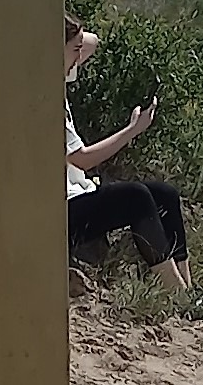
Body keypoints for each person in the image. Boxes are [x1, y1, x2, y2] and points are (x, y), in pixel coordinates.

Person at [63, 16, 191, 292]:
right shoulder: (43, 97)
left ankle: (187, 287)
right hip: (55, 212)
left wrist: (65, 32)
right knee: (135, 197)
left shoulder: (55, 72)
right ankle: (176, 294)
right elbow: (81, 159)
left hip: (74, 193)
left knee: (164, 194)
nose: (79, 57)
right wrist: (132, 130)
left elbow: (92, 41)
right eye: (74, 50)